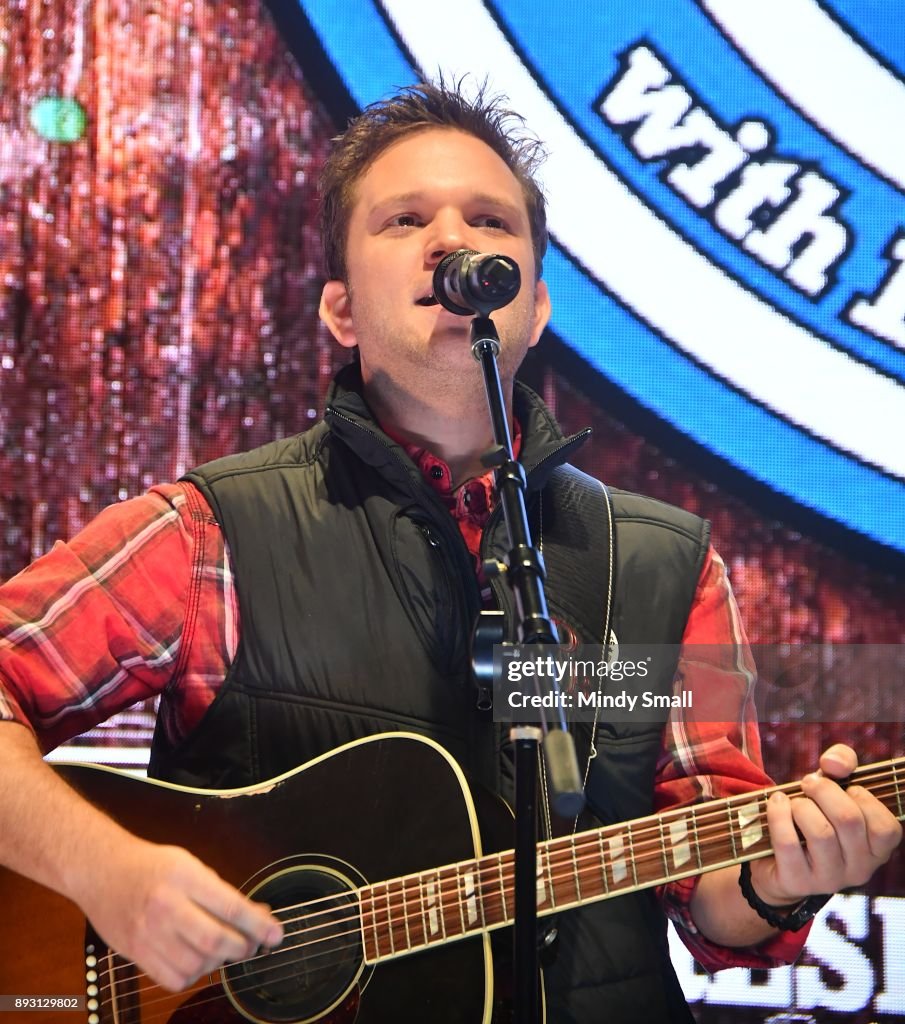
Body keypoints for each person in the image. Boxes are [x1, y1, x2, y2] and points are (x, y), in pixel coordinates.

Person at [0, 81, 900, 1023]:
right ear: (341, 313)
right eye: (403, 219)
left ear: (536, 304)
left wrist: (782, 880)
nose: (452, 241)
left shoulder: (659, 565)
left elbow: (713, 901)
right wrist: (105, 871)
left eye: (488, 220)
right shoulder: (205, 533)